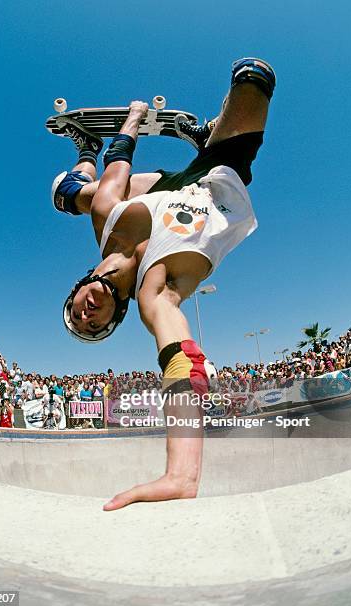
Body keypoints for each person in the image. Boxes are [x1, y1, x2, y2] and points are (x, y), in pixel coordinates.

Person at [51, 57, 276, 510]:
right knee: (254, 78)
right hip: (211, 184)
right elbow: (181, 363)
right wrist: (181, 475)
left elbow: (119, 166)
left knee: (69, 191)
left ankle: (84, 150)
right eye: (91, 324)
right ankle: (204, 139)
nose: (85, 313)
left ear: (76, 289)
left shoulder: (107, 225)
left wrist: (134, 119)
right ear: (116, 316)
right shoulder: (156, 293)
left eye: (76, 311)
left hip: (151, 188)